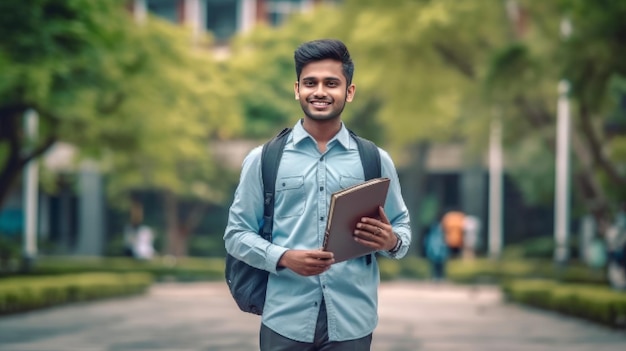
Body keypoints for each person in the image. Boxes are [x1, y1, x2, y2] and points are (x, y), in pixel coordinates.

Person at [224, 39, 411, 350]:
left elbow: (402, 228)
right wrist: (284, 257)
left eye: (332, 83)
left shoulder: (375, 160)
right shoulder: (264, 159)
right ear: (297, 89)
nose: (320, 91)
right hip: (285, 319)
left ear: (349, 92)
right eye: (310, 83)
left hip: (353, 319)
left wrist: (390, 241)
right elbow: (236, 235)